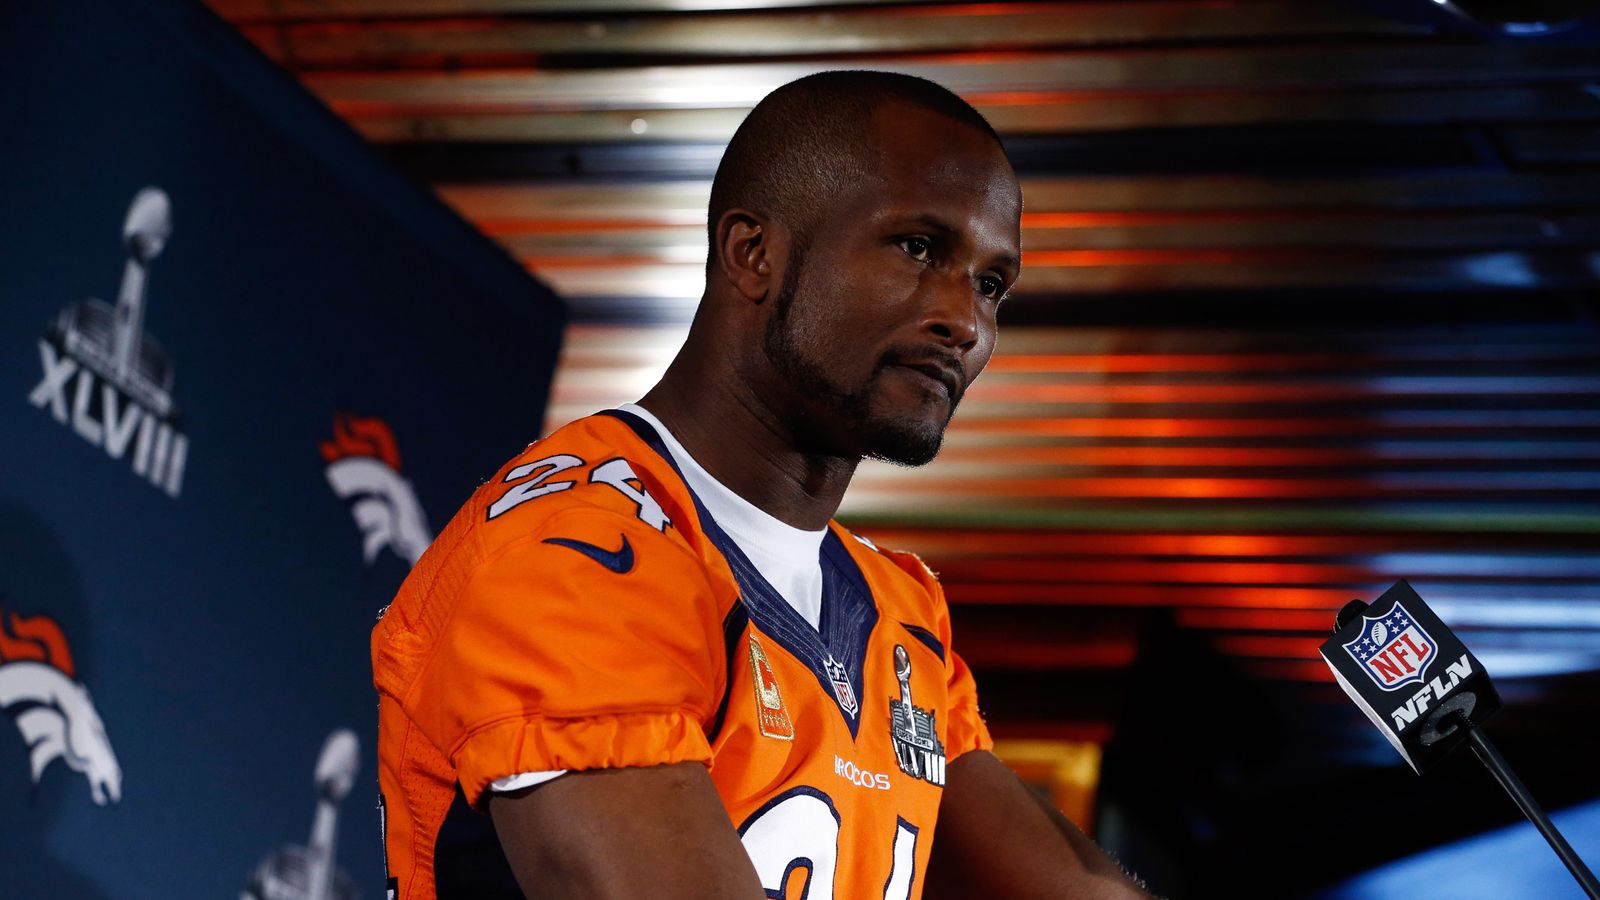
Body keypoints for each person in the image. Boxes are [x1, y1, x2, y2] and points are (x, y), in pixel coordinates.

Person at [372, 70, 1150, 900]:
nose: (965, 321)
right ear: (753, 254)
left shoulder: (898, 611)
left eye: (991, 284)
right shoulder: (574, 548)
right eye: (919, 248)